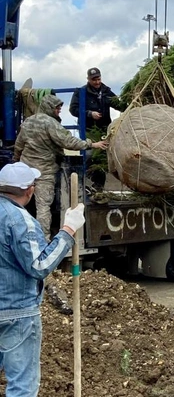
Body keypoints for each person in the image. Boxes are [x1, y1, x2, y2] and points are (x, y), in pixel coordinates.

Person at [0, 161, 87, 397]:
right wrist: (68, 230)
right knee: (22, 387)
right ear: (30, 190)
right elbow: (40, 266)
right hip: (16, 313)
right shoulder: (20, 220)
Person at [14, 95, 107, 239]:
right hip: (44, 172)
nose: (59, 111)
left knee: (21, 205)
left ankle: (19, 236)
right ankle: (42, 239)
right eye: (56, 108)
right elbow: (68, 141)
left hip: (25, 171)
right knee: (43, 207)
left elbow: (19, 145)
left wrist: (16, 162)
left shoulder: (28, 121)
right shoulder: (51, 123)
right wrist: (92, 144)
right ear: (49, 108)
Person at [69, 67, 121, 132]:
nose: (97, 82)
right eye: (94, 80)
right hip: (88, 131)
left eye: (99, 79)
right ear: (88, 79)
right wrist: (90, 114)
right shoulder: (80, 92)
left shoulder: (106, 91)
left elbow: (118, 105)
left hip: (105, 129)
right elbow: (73, 109)